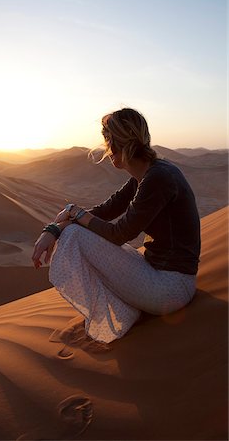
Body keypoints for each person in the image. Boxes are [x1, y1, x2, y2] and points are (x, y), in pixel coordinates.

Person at [31, 108, 201, 343]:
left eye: (109, 141)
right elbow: (105, 210)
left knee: (74, 236)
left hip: (171, 288)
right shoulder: (146, 175)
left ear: (123, 143)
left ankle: (114, 314)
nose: (106, 148)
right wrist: (54, 228)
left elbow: (119, 233)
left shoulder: (158, 178)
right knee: (74, 230)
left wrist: (72, 215)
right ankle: (122, 309)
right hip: (160, 275)